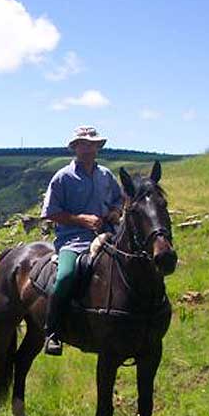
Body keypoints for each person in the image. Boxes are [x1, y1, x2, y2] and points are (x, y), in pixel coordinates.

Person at [40, 125, 123, 356]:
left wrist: (115, 212)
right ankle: (53, 331)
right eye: (84, 144)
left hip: (108, 234)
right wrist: (80, 220)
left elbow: (119, 200)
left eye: (93, 144)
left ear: (98, 147)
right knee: (66, 275)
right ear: (75, 148)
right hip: (73, 240)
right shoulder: (62, 177)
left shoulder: (106, 175)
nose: (89, 149)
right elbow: (50, 212)